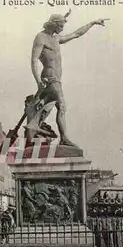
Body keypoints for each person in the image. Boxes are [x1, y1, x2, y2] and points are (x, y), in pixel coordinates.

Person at [28, 11, 108, 146]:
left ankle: (33, 129)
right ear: (53, 25)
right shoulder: (41, 37)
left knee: (44, 106)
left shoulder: (56, 39)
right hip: (50, 78)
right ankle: (64, 138)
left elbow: (76, 34)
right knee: (62, 106)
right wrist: (38, 81)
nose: (62, 29)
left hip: (56, 79)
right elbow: (34, 60)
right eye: (60, 26)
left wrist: (92, 23)